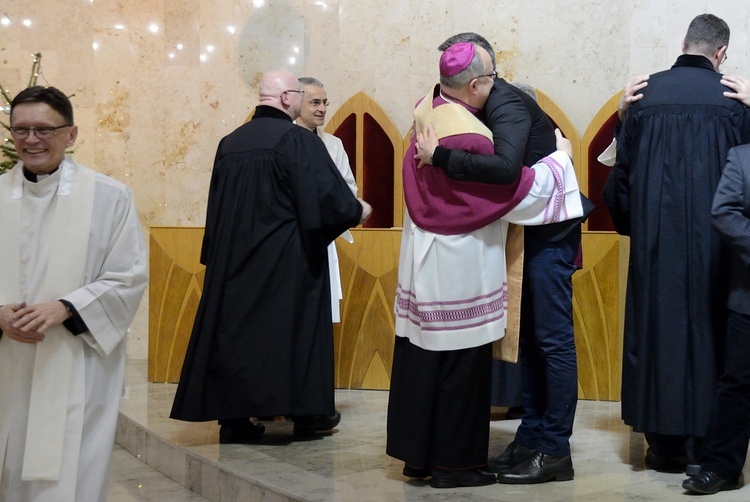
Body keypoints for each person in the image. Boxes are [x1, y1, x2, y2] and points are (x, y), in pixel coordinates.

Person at [386, 41, 583, 489]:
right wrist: (560, 164)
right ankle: (455, 465)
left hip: (426, 259)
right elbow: (512, 188)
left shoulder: (429, 112)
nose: (499, 86)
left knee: (425, 360)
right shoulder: (470, 135)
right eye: (493, 77)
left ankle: (422, 457)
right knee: (463, 365)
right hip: (460, 266)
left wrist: (439, 157)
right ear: (475, 83)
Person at [170, 70, 372, 441]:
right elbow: (328, 199)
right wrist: (357, 210)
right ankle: (307, 414)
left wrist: (215, 255)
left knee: (237, 338)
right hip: (286, 261)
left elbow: (216, 205)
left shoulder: (230, 143)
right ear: (286, 99)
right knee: (292, 337)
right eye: (301, 95)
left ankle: (234, 420)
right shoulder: (297, 140)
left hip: (233, 262)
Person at [603, 13, 750, 474]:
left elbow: (619, 182)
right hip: (718, 249)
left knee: (657, 333)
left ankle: (662, 447)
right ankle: (707, 447)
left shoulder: (643, 98)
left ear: (684, 42)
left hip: (656, 245)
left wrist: (636, 225)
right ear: (721, 53)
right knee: (713, 336)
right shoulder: (734, 101)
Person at [0, 86, 148, 501]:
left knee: (70, 472)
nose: (31, 140)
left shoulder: (109, 197)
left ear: (71, 134)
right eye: (21, 130)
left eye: (44, 130)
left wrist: (65, 307)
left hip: (77, 359)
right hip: (7, 358)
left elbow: (129, 277)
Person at [680, 144, 750, 495]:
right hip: (748, 298)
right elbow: (724, 212)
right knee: (737, 385)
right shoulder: (742, 157)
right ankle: (721, 467)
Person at [295, 77, 358, 324]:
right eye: (314, 102)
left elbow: (349, 190)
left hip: (322, 237)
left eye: (324, 102)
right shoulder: (283, 141)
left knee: (318, 315)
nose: (322, 108)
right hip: (289, 240)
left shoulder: (333, 144)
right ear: (297, 103)